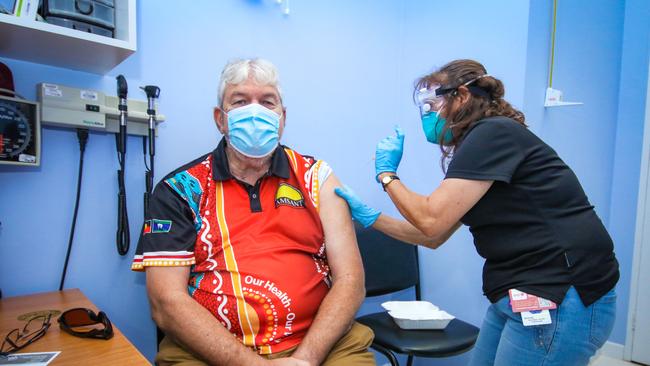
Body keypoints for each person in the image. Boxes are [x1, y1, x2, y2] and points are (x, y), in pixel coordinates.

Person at [335, 59, 619, 366]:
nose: (427, 115)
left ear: (462, 96)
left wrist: (387, 175)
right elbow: (432, 236)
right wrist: (371, 218)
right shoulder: (483, 143)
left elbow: (431, 219)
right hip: (520, 289)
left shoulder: (492, 134)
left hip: (561, 293)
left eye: (432, 104)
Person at [132, 58, 374, 366]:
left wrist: (306, 359)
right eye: (241, 101)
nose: (255, 111)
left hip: (321, 344)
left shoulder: (318, 178)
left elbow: (351, 279)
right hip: (209, 352)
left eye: (267, 101)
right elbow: (166, 303)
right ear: (220, 118)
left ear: (282, 117)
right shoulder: (180, 189)